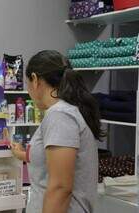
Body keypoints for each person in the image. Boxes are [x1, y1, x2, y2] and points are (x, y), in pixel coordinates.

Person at [11, 50, 105, 213]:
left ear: (34, 79)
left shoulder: (59, 115)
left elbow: (61, 187)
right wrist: (23, 154)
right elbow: (55, 162)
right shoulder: (65, 112)